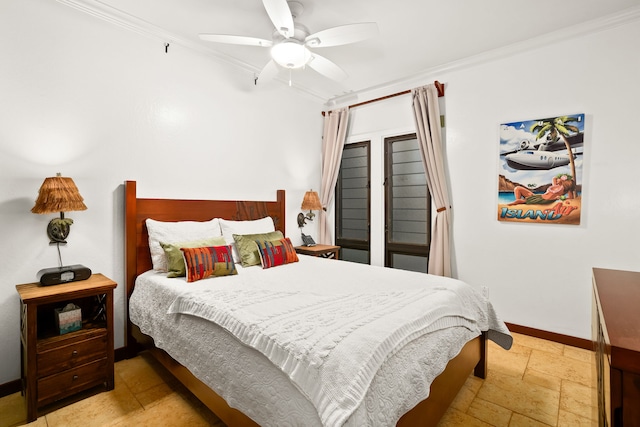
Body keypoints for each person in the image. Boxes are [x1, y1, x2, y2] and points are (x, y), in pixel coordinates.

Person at [508, 174, 574, 205]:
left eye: (559, 178)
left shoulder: (563, 189)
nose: (557, 179)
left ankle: (513, 204)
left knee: (518, 201)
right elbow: (554, 178)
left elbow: (571, 197)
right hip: (539, 196)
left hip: (543, 200)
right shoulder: (556, 185)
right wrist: (562, 177)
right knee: (517, 188)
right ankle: (519, 204)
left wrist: (560, 198)